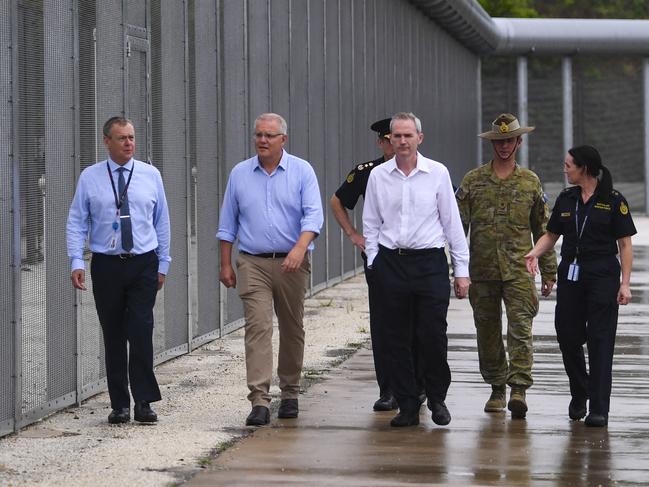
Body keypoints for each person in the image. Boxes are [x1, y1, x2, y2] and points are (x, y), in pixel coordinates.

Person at [363, 112, 470, 427]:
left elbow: (453, 224)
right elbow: (370, 224)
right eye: (397, 136)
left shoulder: (437, 173)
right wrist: (373, 261)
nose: (402, 141)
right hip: (391, 262)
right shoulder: (379, 176)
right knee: (396, 337)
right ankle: (407, 404)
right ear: (389, 140)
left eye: (408, 135)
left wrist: (461, 270)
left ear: (419, 138)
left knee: (431, 334)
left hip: (429, 263)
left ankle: (436, 398)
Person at [218, 113, 324, 427]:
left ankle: (290, 393)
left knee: (292, 328)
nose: (262, 140)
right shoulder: (240, 174)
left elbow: (313, 217)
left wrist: (299, 248)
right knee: (258, 327)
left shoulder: (302, 171)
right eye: (258, 135)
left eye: (269, 135)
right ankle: (260, 400)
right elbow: (227, 224)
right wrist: (225, 263)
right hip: (253, 262)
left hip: (293, 263)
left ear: (283, 140)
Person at [67, 117, 171, 424]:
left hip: (143, 262)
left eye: (132, 137)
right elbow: (76, 220)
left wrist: (163, 262)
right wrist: (76, 260)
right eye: (122, 138)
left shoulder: (150, 175)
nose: (129, 143)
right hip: (107, 264)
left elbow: (161, 220)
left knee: (141, 329)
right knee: (113, 333)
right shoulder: (91, 177)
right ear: (107, 141)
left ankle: (144, 401)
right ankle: (120, 404)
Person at [525, 145, 636, 427]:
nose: (565, 169)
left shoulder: (612, 200)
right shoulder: (566, 199)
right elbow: (551, 235)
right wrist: (534, 253)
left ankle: (599, 408)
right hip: (572, 275)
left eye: (568, 165)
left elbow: (624, 244)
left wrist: (625, 283)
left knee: (600, 341)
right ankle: (580, 391)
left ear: (583, 168)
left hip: (602, 275)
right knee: (567, 335)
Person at [455, 113, 557, 419]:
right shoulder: (473, 181)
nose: (503, 146)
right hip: (482, 271)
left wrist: (549, 270)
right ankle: (497, 387)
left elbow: (544, 229)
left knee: (520, 330)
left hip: (518, 270)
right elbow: (457, 227)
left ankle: (519, 388)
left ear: (519, 142)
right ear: (492, 143)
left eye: (509, 141)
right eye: (498, 141)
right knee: (486, 330)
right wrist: (457, 269)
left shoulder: (530, 182)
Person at [330, 118, 399, 411]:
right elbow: (337, 201)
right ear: (381, 142)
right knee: (384, 324)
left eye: (398, 138)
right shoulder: (367, 173)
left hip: (415, 257)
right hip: (379, 258)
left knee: (417, 322)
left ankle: (417, 384)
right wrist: (353, 234)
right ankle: (389, 389)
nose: (394, 145)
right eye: (388, 140)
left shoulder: (427, 171)